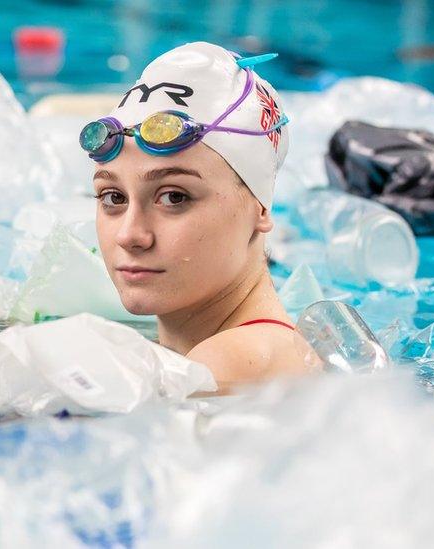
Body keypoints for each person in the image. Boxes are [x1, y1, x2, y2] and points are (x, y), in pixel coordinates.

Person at [79, 42, 314, 391]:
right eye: (113, 197)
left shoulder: (232, 363)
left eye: (174, 197)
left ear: (261, 207)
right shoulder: (243, 351)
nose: (130, 235)